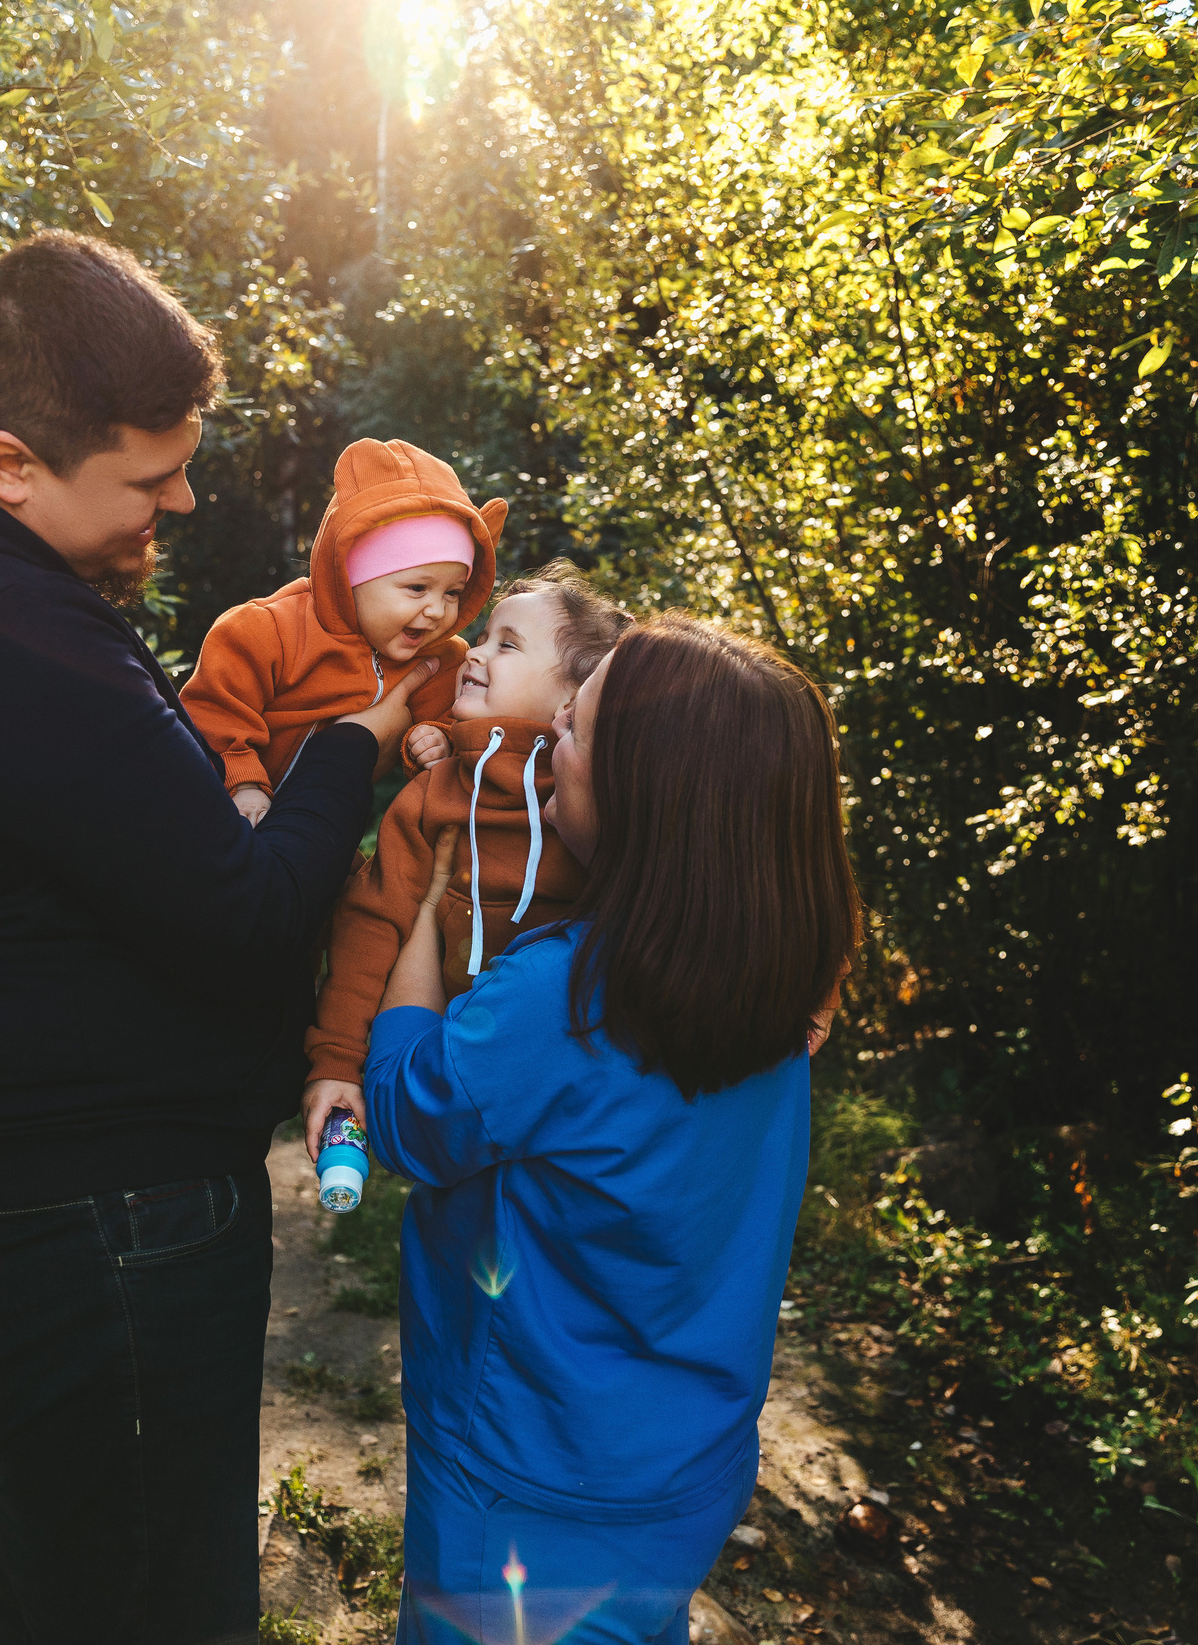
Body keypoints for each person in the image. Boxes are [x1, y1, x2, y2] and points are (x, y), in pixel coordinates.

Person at [0, 229, 431, 1645]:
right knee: (152, 1603)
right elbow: (248, 919)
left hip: (38, 1213)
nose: (184, 498)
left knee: (77, 1584)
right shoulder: (2, 629)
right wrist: (347, 750)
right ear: (12, 463)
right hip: (93, 1231)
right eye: (149, 476)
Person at [357, 614, 859, 1645]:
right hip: (684, 1463)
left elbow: (407, 1120)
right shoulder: (783, 977)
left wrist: (422, 918)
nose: (549, 744)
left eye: (574, 730)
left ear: (644, 793)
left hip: (523, 1470)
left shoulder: (560, 998)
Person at [299, 562, 632, 1146]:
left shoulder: (596, 795)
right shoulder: (433, 794)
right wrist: (336, 1058)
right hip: (446, 1056)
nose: (473, 654)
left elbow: (708, 870)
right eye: (481, 637)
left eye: (507, 645)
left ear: (576, 696)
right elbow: (373, 921)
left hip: (570, 1060)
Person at [180, 439, 507, 824]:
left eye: (453, 593)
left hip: (325, 823)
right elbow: (214, 711)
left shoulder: (440, 659)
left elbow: (463, 723)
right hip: (222, 810)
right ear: (350, 575)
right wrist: (242, 784)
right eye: (417, 588)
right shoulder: (265, 631)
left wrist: (437, 736)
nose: (437, 610)